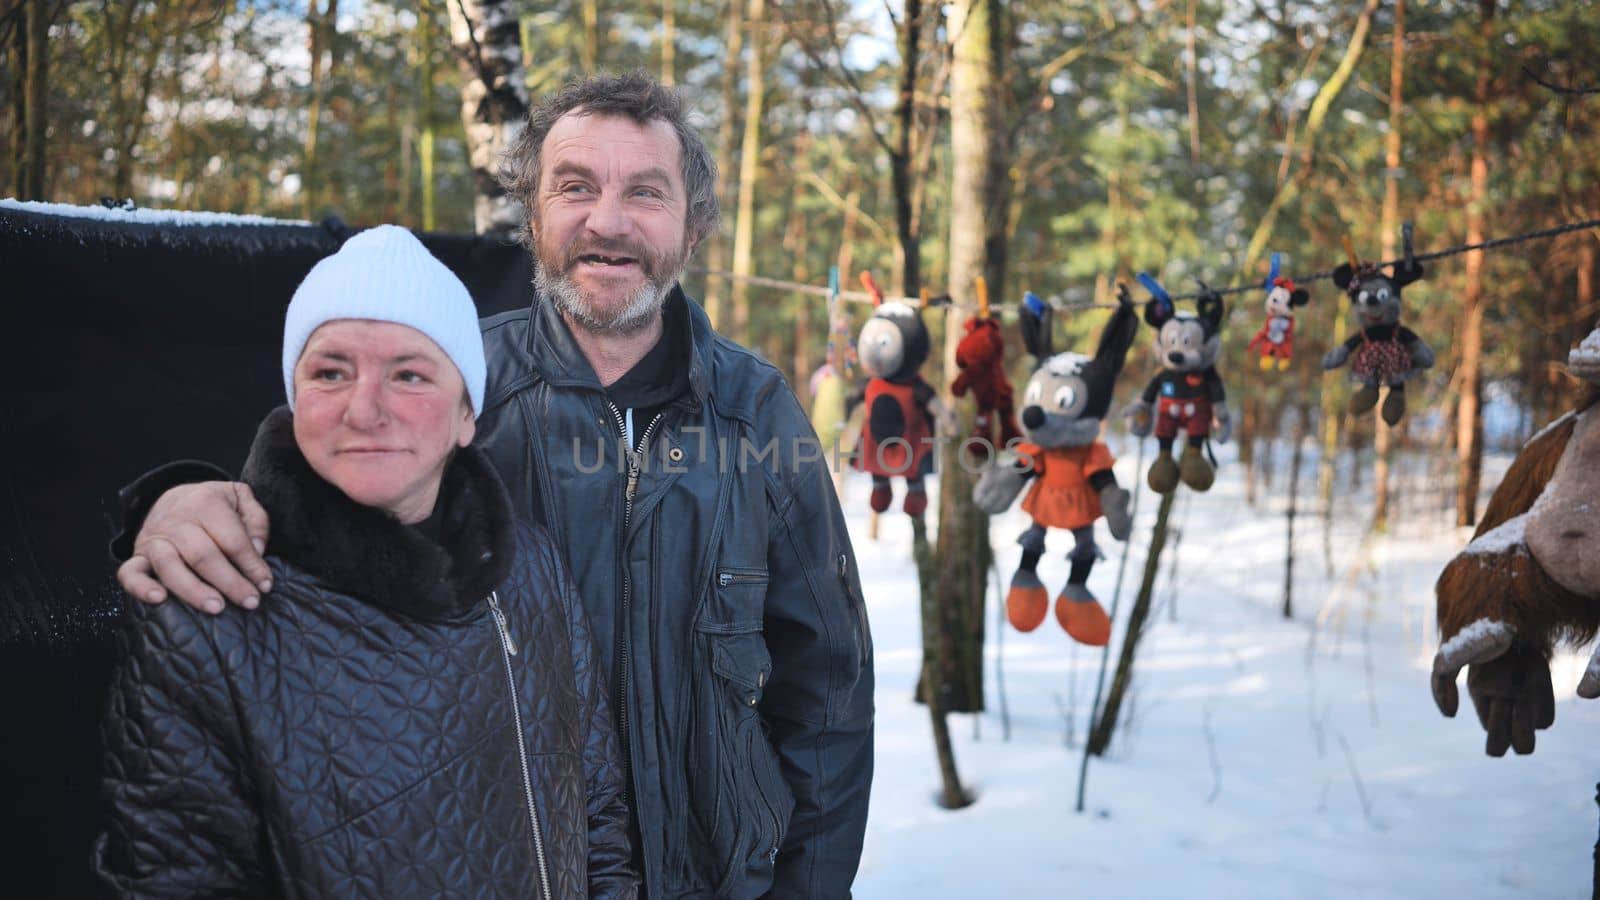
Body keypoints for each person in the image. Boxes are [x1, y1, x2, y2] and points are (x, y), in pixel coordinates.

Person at [115, 74, 874, 899]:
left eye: (645, 193)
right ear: (533, 215)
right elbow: (318, 458)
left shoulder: (756, 413)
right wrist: (179, 498)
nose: (607, 221)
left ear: (692, 228)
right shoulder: (448, 386)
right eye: (574, 186)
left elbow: (827, 691)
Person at [96, 226, 638, 897]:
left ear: (467, 413)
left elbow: (599, 819)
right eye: (330, 372)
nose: (365, 409)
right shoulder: (206, 603)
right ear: (295, 401)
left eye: (408, 373)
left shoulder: (529, 568)